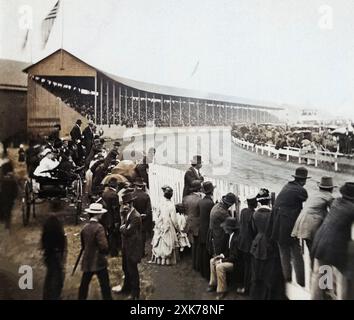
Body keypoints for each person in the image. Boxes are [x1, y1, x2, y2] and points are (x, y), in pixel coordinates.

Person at [311, 182, 354, 300]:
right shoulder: (352, 208)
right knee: (343, 279)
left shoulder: (337, 202)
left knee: (321, 273)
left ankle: (318, 297)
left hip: (320, 241)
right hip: (334, 246)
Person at [271, 167, 309, 286]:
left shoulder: (287, 186)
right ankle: (301, 281)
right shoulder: (301, 190)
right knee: (297, 253)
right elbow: (305, 201)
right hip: (288, 226)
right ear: (303, 180)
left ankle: (287, 279)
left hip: (277, 225)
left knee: (284, 252)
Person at [250, 189, 286, 300]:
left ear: (260, 202)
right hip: (270, 245)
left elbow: (253, 229)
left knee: (257, 273)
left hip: (257, 245)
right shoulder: (272, 215)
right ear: (269, 202)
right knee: (270, 274)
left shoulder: (255, 214)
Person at [291, 176, 335, 265]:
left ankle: (314, 272)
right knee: (318, 253)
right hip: (312, 224)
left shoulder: (315, 194)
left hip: (302, 223)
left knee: (312, 251)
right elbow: (334, 213)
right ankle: (319, 273)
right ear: (331, 188)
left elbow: (320, 210)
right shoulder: (329, 197)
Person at [78, 203, 112, 300]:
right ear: (98, 215)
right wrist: (106, 252)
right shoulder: (99, 228)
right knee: (105, 285)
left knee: (84, 285)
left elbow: (83, 245)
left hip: (87, 260)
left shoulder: (85, 227)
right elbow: (104, 246)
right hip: (98, 261)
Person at [113, 192, 142, 300]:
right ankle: (126, 288)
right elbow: (124, 227)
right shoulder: (127, 213)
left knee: (133, 271)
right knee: (126, 269)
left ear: (130, 204)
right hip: (126, 246)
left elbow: (127, 231)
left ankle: (135, 294)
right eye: (122, 204)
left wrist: (122, 228)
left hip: (133, 248)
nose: (123, 206)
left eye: (125, 204)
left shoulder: (135, 216)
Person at [207, 217, 239, 300]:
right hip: (230, 259)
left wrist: (222, 261)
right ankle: (213, 283)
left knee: (219, 266)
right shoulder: (230, 236)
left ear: (230, 228)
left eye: (225, 227)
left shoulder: (235, 239)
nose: (224, 228)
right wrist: (221, 256)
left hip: (236, 263)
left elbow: (234, 257)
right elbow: (228, 251)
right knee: (212, 261)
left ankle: (222, 290)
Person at [41, 210, 67, 300]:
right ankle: (54, 296)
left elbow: (44, 239)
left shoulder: (49, 223)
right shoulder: (55, 225)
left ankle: (47, 295)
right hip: (55, 253)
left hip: (50, 253)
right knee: (57, 277)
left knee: (50, 275)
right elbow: (60, 240)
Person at [150, 186, 179, 265]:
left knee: (159, 240)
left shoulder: (160, 203)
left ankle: (159, 259)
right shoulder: (171, 205)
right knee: (168, 240)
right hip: (168, 223)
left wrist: (157, 222)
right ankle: (167, 260)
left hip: (160, 222)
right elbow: (173, 218)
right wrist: (176, 227)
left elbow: (156, 214)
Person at [237, 196, 257, 294]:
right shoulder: (254, 214)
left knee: (245, 265)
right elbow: (254, 230)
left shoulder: (243, 211)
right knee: (250, 267)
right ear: (255, 204)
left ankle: (244, 285)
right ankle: (248, 288)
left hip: (242, 242)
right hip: (249, 243)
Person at [208, 192, 238, 257]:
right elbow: (233, 222)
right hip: (219, 236)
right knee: (220, 255)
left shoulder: (217, 205)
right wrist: (238, 206)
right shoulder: (222, 212)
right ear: (229, 204)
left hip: (214, 233)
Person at [183, 180, 203, 271]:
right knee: (197, 245)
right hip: (197, 224)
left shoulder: (186, 198)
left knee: (192, 244)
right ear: (199, 189)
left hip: (189, 222)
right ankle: (196, 265)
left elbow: (185, 210)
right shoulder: (200, 200)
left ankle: (193, 263)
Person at [198, 181, 215, 280]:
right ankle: (206, 273)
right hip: (207, 230)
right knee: (207, 252)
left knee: (202, 250)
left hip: (201, 229)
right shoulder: (210, 203)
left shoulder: (201, 201)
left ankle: (202, 271)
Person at [132, 177, 152, 257]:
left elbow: (131, 208)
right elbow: (148, 209)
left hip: (134, 218)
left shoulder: (132, 195)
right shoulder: (146, 196)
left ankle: (135, 252)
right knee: (142, 237)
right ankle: (142, 253)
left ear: (136, 186)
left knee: (134, 236)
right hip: (143, 219)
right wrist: (144, 215)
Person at [0, 142, 18, 231]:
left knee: (7, 205)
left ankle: (7, 221)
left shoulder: (7, 163)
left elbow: (11, 174)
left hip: (6, 187)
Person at [102, 178, 121, 257]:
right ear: (116, 186)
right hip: (112, 218)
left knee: (107, 234)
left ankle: (107, 250)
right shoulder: (114, 195)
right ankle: (113, 252)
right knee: (113, 235)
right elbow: (115, 209)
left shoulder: (105, 193)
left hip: (105, 217)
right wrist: (117, 221)